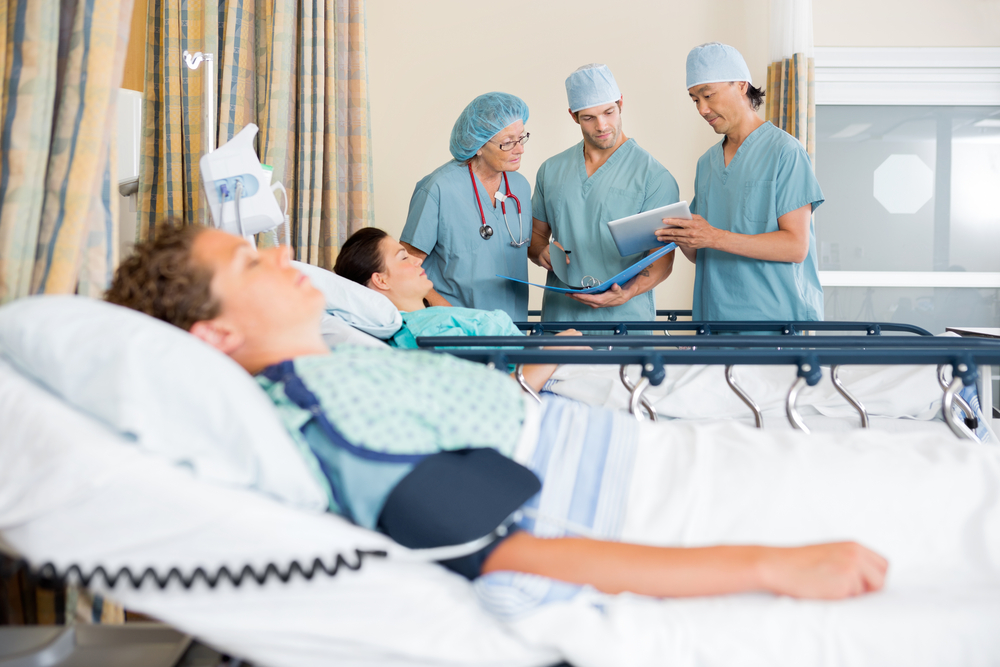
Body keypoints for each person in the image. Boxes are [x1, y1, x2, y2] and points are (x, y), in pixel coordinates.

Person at [106, 224, 918, 603]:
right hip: (649, 493)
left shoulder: (341, 356)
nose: (283, 253)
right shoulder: (325, 420)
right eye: (251, 260)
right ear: (215, 332)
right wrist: (769, 565)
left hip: (640, 446)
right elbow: (520, 554)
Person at [656, 43, 825, 321]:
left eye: (708, 95)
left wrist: (713, 236)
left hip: (775, 322)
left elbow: (796, 247)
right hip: (714, 320)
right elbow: (703, 254)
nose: (702, 108)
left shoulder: (784, 151)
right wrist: (678, 233)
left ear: (741, 85)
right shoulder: (707, 163)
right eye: (695, 99)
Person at [334, 226, 582, 391]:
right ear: (381, 280)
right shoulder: (424, 332)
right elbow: (495, 397)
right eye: (403, 257)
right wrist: (555, 349)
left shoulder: (430, 318)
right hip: (551, 380)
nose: (418, 259)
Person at [528, 64, 680, 324]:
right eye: (588, 117)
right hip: (560, 321)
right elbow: (536, 236)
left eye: (609, 112)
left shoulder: (654, 177)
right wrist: (541, 251)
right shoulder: (551, 170)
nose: (601, 125)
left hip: (623, 323)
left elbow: (662, 259)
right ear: (573, 116)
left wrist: (626, 293)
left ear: (621, 103)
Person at [400, 92, 532, 321]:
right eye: (508, 142)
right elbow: (405, 266)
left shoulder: (519, 187)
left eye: (521, 138)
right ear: (478, 145)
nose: (520, 149)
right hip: (455, 329)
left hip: (510, 328)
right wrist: (446, 312)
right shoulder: (438, 189)